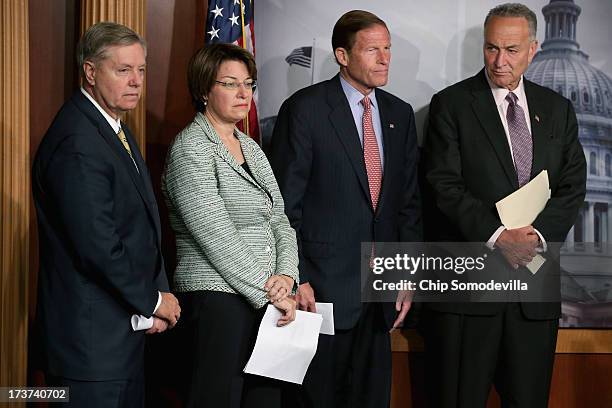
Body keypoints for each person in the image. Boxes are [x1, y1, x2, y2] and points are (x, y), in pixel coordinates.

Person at [422, 3, 587, 407]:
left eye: (512, 50)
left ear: (533, 49)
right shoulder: (452, 104)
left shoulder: (558, 109)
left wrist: (535, 237)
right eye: (491, 48)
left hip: (533, 290)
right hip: (470, 293)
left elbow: (571, 185)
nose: (499, 61)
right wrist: (498, 237)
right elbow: (443, 186)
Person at [269, 10, 422, 408]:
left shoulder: (399, 114)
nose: (385, 58)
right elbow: (285, 204)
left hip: (379, 297)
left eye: (387, 49)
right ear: (342, 54)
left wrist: (405, 275)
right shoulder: (305, 108)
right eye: (373, 50)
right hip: (319, 293)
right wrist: (296, 276)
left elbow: (407, 203)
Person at [32, 22, 181, 408]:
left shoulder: (113, 126)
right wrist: (152, 301)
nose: (136, 82)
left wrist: (156, 300)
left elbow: (142, 228)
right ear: (91, 72)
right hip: (90, 350)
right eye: (123, 70)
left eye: (141, 70)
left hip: (118, 341)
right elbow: (98, 246)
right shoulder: (77, 142)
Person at [161, 43, 299, 408]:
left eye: (249, 84)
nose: (244, 94)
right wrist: (272, 292)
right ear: (204, 89)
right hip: (217, 303)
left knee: (264, 401)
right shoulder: (191, 148)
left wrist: (286, 275)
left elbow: (280, 220)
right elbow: (216, 233)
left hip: (265, 303)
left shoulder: (250, 147)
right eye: (230, 83)